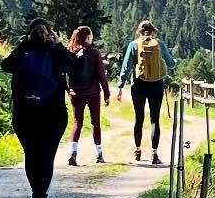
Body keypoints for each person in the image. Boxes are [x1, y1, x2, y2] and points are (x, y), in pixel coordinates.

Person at [2, 16, 74, 198]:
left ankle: (37, 195)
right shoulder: (55, 53)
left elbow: (6, 65)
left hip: (24, 113)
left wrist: (25, 42)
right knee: (46, 156)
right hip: (53, 112)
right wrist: (58, 44)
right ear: (50, 33)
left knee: (32, 156)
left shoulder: (24, 51)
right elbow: (73, 66)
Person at [118, 19, 176, 164]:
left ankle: (137, 151)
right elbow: (171, 63)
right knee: (154, 119)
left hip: (138, 85)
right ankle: (154, 154)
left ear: (139, 31)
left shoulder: (133, 45)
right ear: (152, 31)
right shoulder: (159, 44)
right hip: (156, 85)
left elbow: (126, 67)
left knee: (139, 118)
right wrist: (174, 61)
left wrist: (120, 86)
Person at [65, 25, 111, 166]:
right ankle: (98, 153)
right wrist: (107, 94)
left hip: (76, 93)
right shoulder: (94, 53)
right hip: (93, 93)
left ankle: (73, 151)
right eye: (91, 35)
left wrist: (68, 90)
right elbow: (102, 76)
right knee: (95, 122)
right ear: (88, 37)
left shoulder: (70, 52)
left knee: (77, 122)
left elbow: (64, 73)